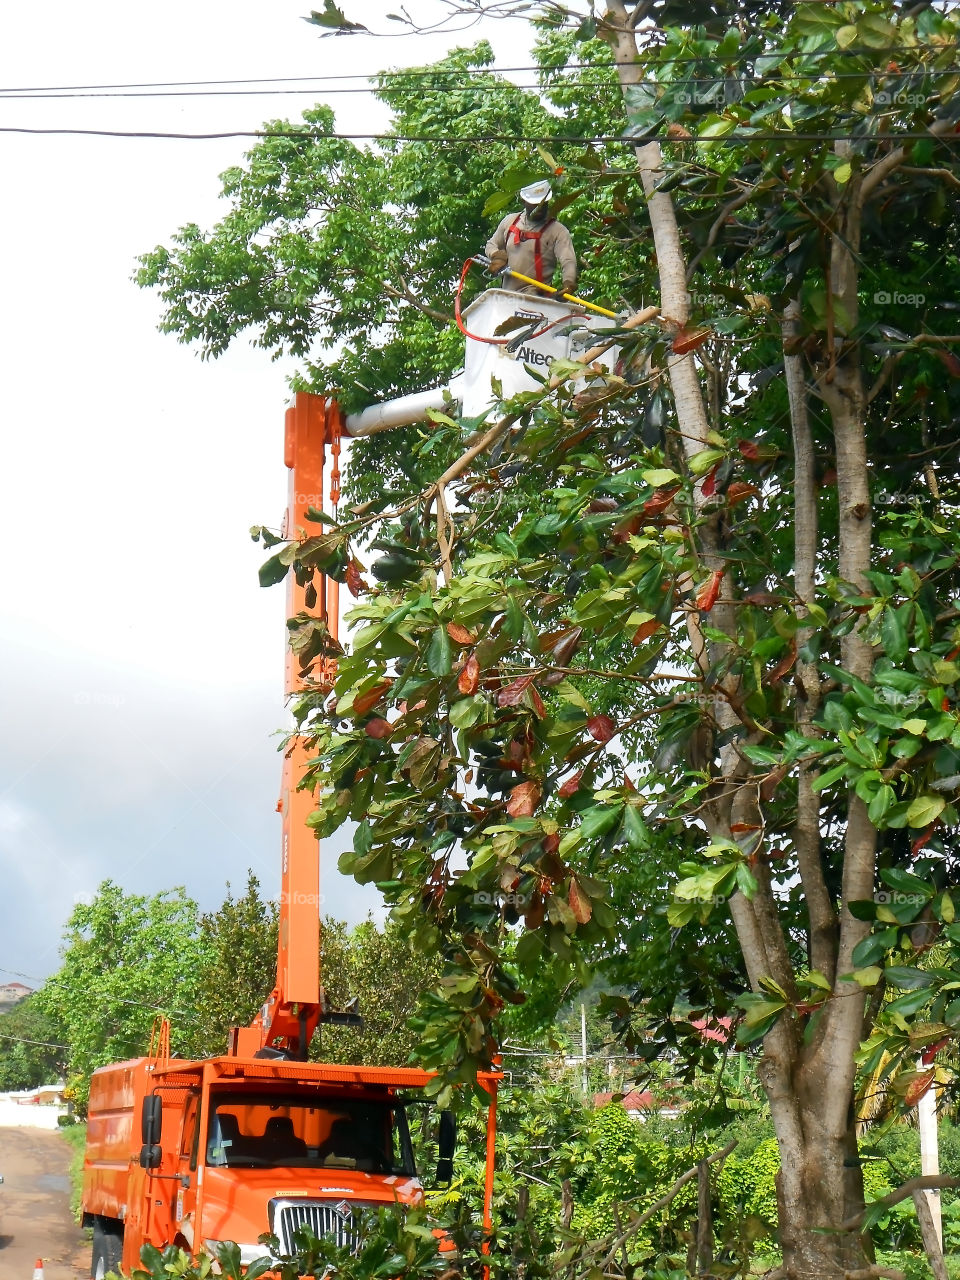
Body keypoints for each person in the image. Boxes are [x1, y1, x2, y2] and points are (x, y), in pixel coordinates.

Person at [485, 180, 578, 298]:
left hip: (536, 298)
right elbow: (491, 244)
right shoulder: (510, 221)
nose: (539, 208)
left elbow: (568, 260)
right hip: (508, 296)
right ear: (523, 201)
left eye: (542, 203)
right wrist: (496, 256)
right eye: (534, 204)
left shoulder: (557, 231)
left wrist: (569, 282)